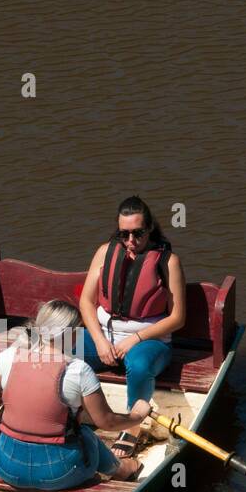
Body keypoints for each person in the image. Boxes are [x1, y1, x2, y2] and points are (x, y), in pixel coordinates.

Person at [0, 300, 152, 489]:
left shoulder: (9, 356)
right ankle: (120, 469)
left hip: (6, 466)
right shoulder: (78, 370)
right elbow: (107, 422)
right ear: (71, 334)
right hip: (57, 473)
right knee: (86, 434)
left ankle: (120, 468)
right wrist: (137, 416)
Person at [78, 195, 186, 460]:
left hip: (150, 342)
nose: (130, 241)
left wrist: (135, 338)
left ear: (150, 229)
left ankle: (132, 426)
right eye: (124, 234)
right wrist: (100, 342)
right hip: (104, 338)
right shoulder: (105, 252)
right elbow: (86, 301)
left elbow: (177, 318)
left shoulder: (168, 261)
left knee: (138, 366)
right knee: (56, 348)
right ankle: (73, 412)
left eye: (138, 233)